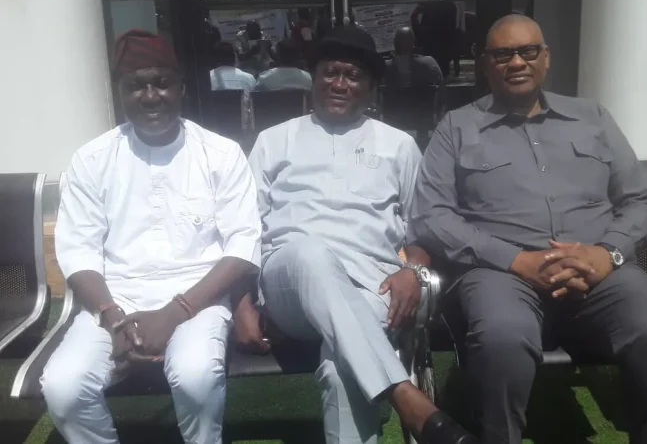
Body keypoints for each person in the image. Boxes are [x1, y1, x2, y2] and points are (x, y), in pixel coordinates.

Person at [408, 14, 647, 444]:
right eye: (503, 54)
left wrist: (607, 253)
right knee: (502, 338)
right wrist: (517, 260)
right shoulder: (457, 127)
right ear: (486, 65)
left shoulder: (592, 117)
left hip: (600, 274)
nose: (516, 62)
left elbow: (639, 199)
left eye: (528, 51)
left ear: (546, 58)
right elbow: (431, 215)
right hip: (503, 275)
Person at [247, 25, 475, 444]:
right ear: (313, 77)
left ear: (370, 87)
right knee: (310, 253)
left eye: (353, 76)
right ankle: (407, 398)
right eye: (330, 72)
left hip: (374, 287)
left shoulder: (398, 145)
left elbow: (422, 228)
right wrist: (243, 301)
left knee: (342, 371)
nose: (339, 84)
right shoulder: (273, 141)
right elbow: (245, 229)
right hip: (288, 285)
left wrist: (412, 272)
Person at [41, 29, 265, 444]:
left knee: (196, 376)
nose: (150, 96)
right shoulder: (92, 159)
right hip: (115, 300)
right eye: (135, 86)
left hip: (199, 298)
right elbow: (78, 251)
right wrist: (113, 319)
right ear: (120, 93)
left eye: (161, 83)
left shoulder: (220, 153)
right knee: (63, 387)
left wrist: (175, 312)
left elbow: (242, 246)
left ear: (181, 87)